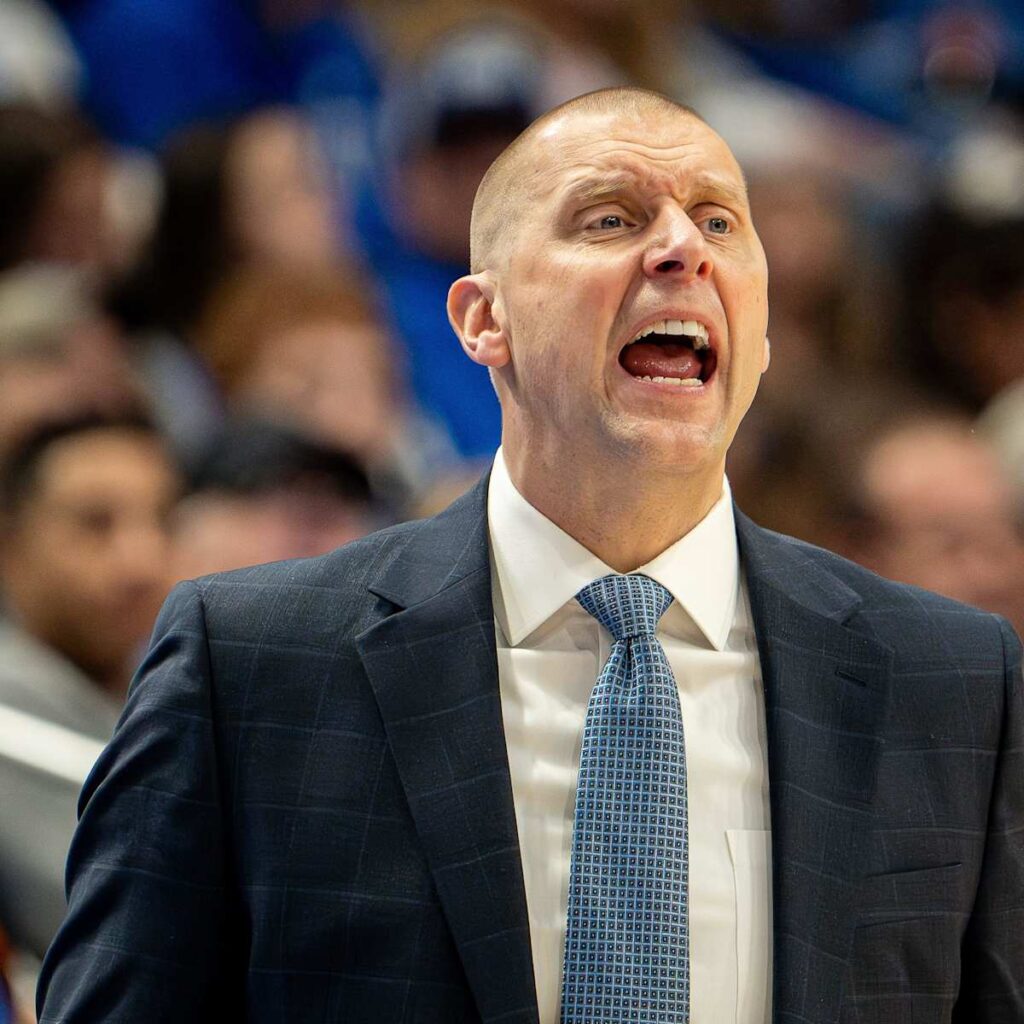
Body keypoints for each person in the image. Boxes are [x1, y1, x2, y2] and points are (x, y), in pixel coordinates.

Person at [37, 88, 1023, 1023]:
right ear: (483, 319)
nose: (681, 247)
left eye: (719, 222)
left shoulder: (953, 682)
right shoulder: (250, 664)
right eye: (609, 218)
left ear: (760, 332)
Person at [0, 413, 182, 965]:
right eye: (95, 523)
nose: (141, 561)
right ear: (10, 544)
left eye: (162, 521)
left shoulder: (175, 689)